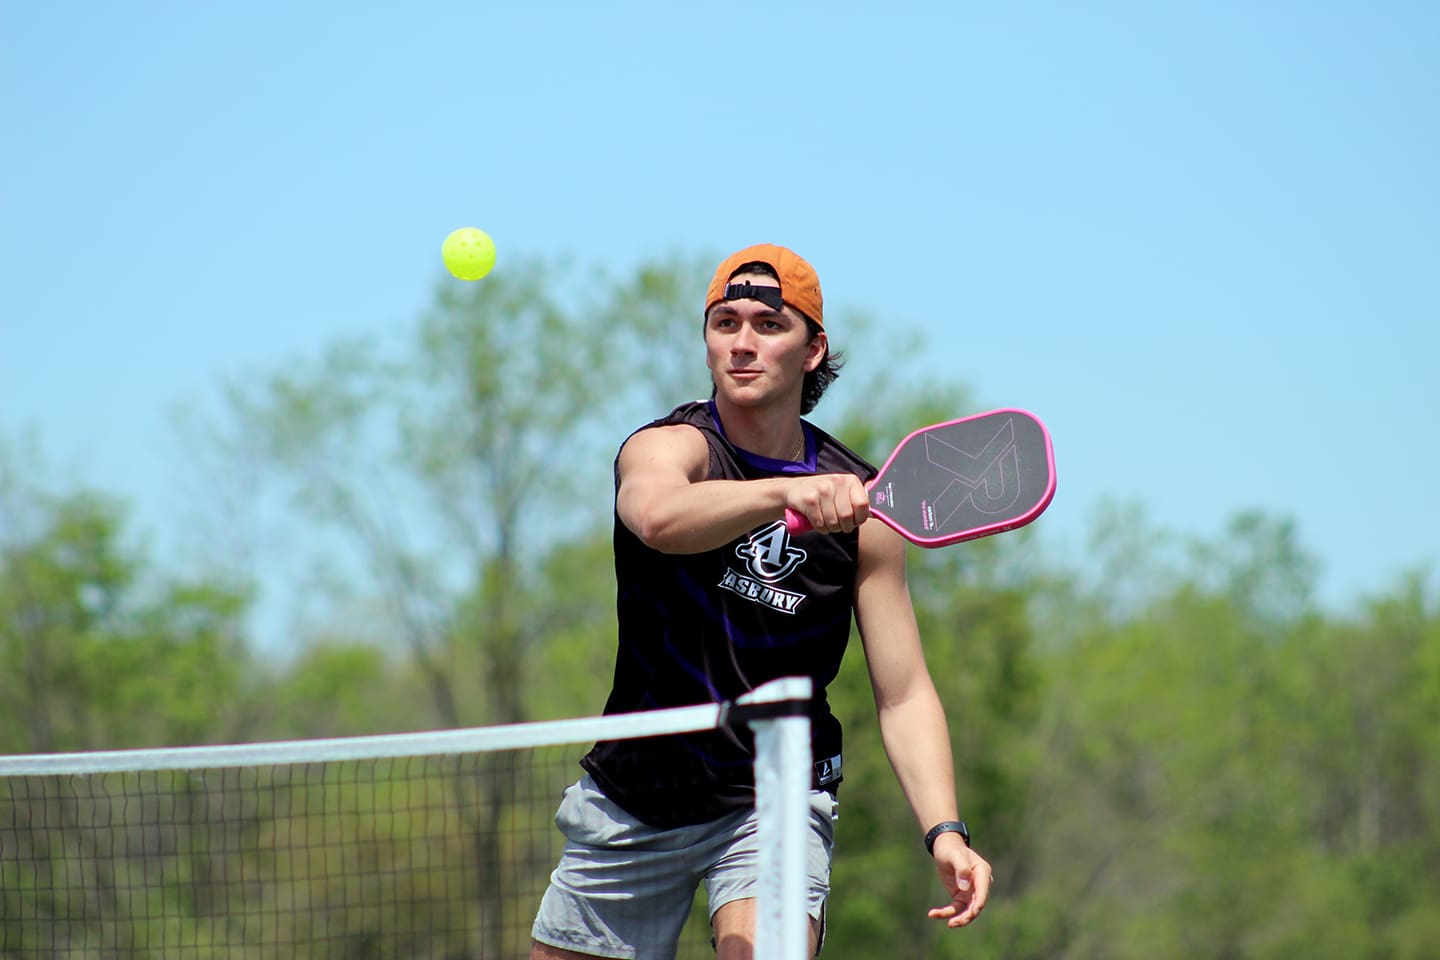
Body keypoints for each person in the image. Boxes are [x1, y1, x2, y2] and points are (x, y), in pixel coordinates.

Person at [531, 244, 993, 959]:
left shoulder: (861, 505)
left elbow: (903, 694)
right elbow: (657, 517)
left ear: (812, 350)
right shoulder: (669, 448)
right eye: (725, 323)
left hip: (773, 796)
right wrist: (784, 493)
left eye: (768, 326)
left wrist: (947, 832)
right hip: (634, 795)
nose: (742, 343)